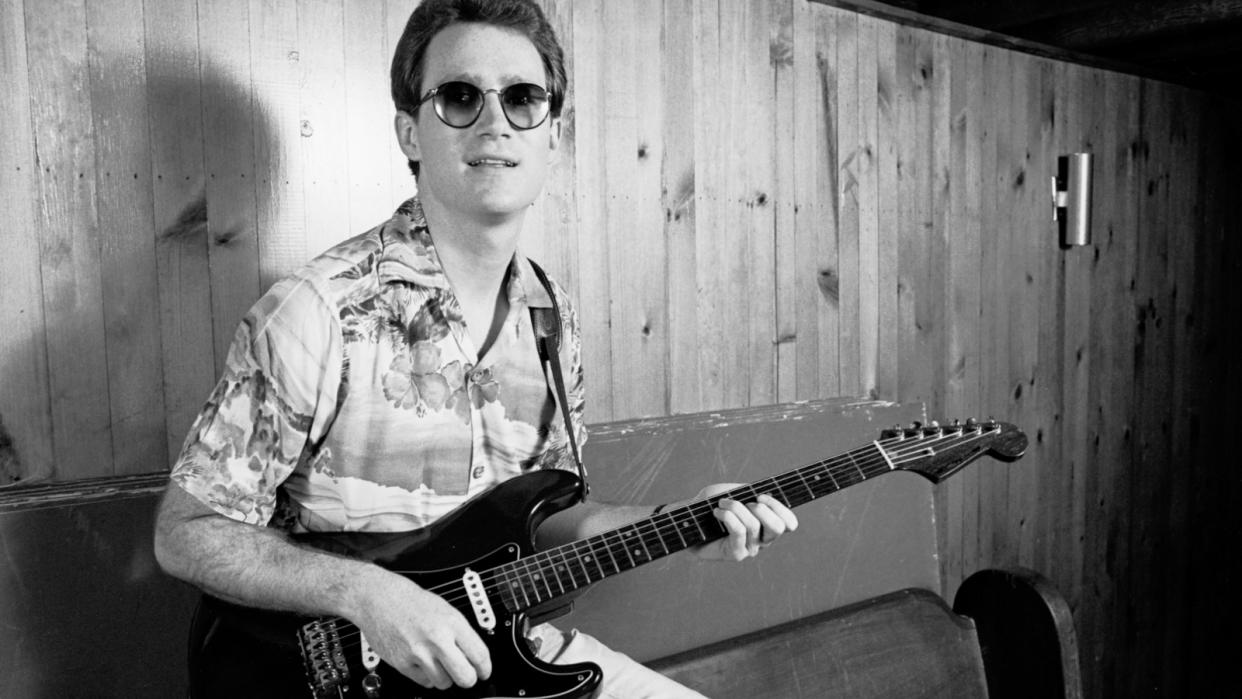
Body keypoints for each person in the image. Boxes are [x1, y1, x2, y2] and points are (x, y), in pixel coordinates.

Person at [152, 0, 798, 696]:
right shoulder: (318, 312)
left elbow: (549, 517)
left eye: (523, 98)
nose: (495, 121)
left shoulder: (551, 318)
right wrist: (367, 594)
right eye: (460, 96)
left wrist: (680, 522)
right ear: (410, 131)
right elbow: (186, 532)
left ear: (553, 134)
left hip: (510, 657)